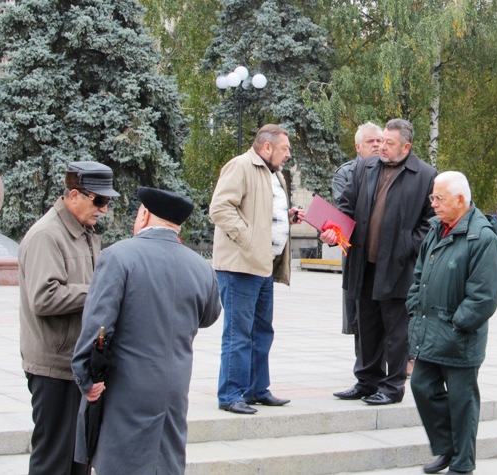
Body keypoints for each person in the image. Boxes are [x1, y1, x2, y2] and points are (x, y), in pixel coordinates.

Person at [71, 187, 221, 475]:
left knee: (121, 463)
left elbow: (98, 325)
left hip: (126, 388)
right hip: (174, 386)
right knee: (164, 463)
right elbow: (209, 316)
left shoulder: (118, 256)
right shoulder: (202, 268)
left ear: (144, 214)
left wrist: (85, 376)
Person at [321, 118, 437, 405]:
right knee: (366, 326)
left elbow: (432, 221)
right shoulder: (365, 167)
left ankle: (391, 387)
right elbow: (346, 205)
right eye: (381, 141)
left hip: (398, 267)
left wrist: (408, 245)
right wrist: (333, 232)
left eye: (389, 143)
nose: (381, 147)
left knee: (396, 331)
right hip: (364, 262)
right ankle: (366, 380)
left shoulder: (425, 175)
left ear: (406, 146)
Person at [18, 161, 119, 475]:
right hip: (54, 367)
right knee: (53, 460)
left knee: (79, 461)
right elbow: (43, 297)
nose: (103, 209)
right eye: (98, 200)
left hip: (77, 364)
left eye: (107, 201)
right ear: (74, 195)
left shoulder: (84, 232)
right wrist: (97, 292)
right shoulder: (46, 235)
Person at [406, 171, 497, 475]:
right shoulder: (437, 230)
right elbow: (419, 275)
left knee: (462, 402)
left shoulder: (483, 237)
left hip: (460, 336)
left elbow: (484, 296)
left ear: (460, 200)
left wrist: (457, 324)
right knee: (421, 384)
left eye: (439, 198)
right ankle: (446, 448)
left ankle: (462, 464)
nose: (432, 204)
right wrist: (413, 306)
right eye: (432, 197)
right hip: (430, 330)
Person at [210, 124, 306, 415]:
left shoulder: (275, 174)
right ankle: (230, 394)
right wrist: (250, 238)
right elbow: (220, 208)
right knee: (239, 333)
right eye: (284, 148)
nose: (288, 154)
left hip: (263, 266)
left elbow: (261, 209)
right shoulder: (241, 166)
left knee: (262, 332)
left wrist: (285, 217)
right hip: (240, 266)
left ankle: (256, 389)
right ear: (267, 147)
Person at [331, 123, 384, 379]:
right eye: (370, 141)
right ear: (357, 146)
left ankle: (391, 367)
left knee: (389, 315)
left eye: (379, 140)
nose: (376, 145)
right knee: (360, 316)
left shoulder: (393, 169)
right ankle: (365, 372)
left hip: (387, 255)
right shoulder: (347, 173)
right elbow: (347, 212)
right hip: (358, 254)